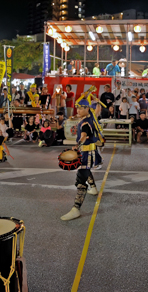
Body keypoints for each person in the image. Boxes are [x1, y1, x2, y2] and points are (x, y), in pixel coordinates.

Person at [60, 93, 104, 221]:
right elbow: (97, 110)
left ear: (86, 109)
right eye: (77, 108)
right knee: (86, 170)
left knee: (80, 180)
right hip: (91, 151)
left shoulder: (85, 123)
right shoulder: (91, 117)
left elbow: (83, 136)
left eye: (80, 108)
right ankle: (94, 188)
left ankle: (76, 209)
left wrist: (76, 146)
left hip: (87, 153)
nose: (77, 110)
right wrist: (98, 103)